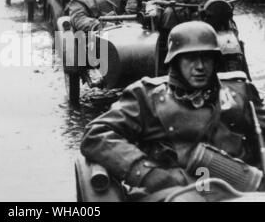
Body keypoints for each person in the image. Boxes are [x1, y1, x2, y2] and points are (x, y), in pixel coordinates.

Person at [81, 21, 265, 197]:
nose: (200, 66)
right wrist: (145, 173)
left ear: (215, 61)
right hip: (174, 190)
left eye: (206, 58)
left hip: (241, 188)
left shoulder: (240, 90)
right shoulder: (145, 95)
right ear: (175, 61)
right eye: (190, 58)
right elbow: (96, 134)